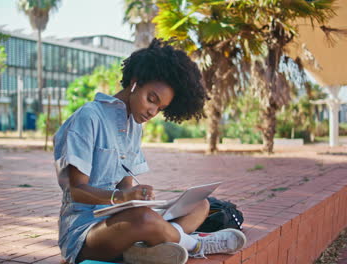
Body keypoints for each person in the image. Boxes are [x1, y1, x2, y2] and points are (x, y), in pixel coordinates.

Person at [53, 39, 246, 264]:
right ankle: (195, 244)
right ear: (135, 83)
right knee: (143, 218)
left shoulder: (133, 126)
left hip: (120, 222)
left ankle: (141, 249)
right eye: (151, 99)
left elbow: (125, 187)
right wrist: (123, 198)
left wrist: (138, 196)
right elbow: (76, 191)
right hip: (84, 232)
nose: (152, 111)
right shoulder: (89, 117)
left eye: (160, 108)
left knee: (200, 204)